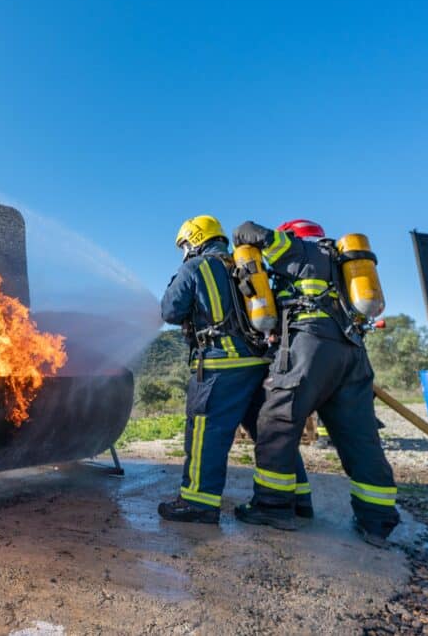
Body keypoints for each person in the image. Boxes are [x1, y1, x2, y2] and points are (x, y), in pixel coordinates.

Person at [231, 218, 400, 546]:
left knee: (276, 423)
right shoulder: (340, 262)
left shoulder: (301, 249)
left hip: (310, 345)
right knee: (359, 437)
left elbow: (254, 232)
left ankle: (274, 506)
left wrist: (242, 239)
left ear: (294, 235)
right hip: (351, 352)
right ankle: (377, 521)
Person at [158, 215, 312, 525]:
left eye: (184, 245)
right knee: (271, 435)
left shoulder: (194, 267)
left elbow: (170, 311)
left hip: (220, 366)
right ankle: (297, 499)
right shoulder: (243, 264)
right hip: (258, 365)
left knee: (206, 433)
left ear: (194, 240)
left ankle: (198, 503)